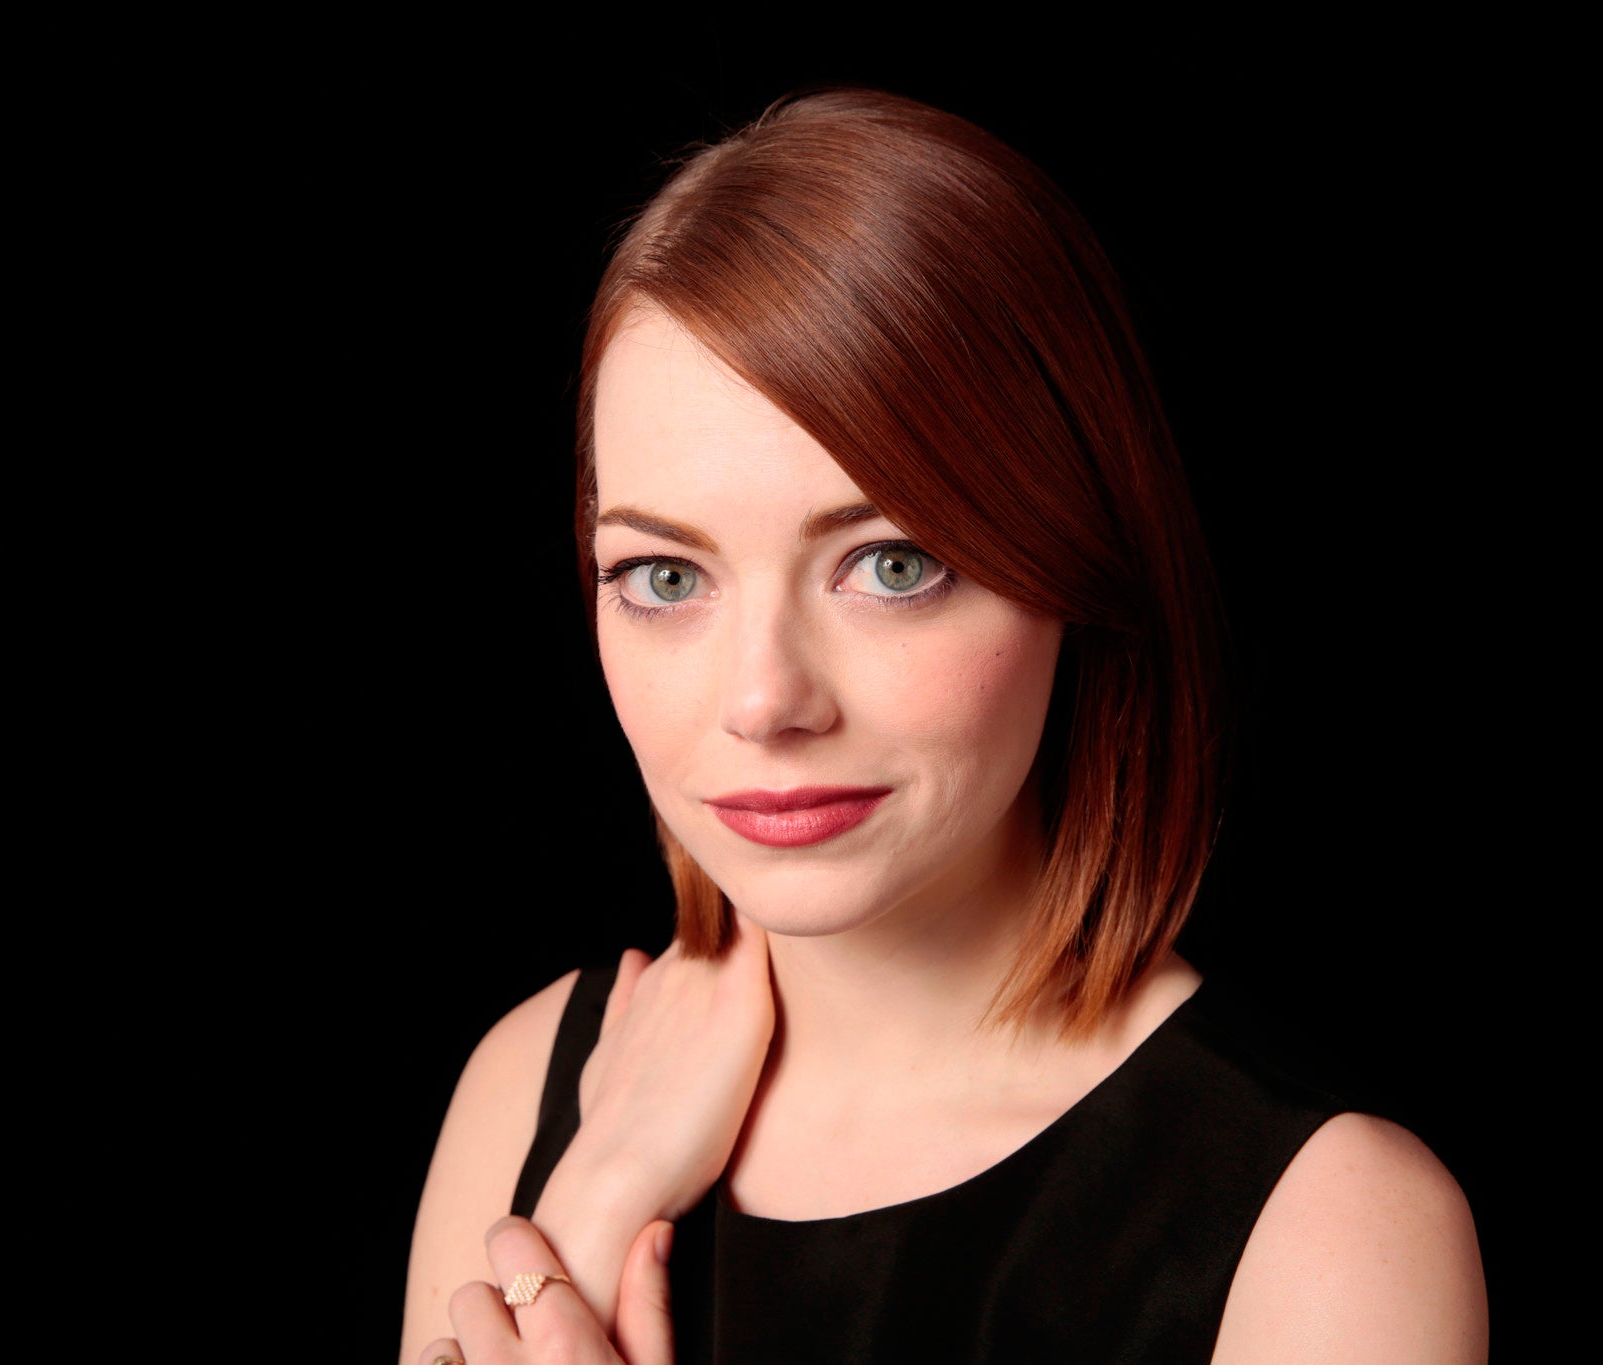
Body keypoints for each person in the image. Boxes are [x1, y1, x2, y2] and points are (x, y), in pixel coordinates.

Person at [400, 88, 1487, 1364]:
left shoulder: (1330, 1232)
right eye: (665, 577)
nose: (762, 702)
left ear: (1074, 562)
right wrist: (593, 1200)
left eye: (892, 564)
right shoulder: (530, 1086)